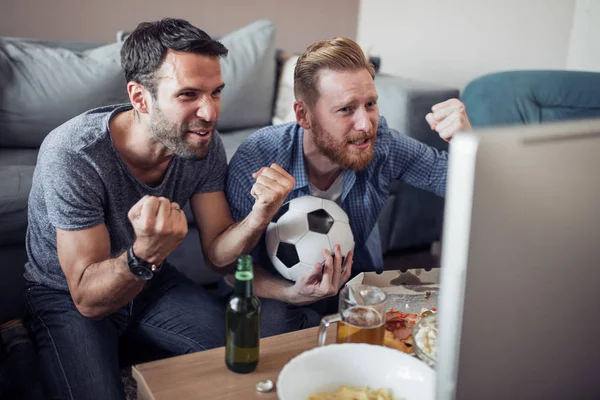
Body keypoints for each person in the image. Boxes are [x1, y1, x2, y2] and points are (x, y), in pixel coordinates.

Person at [24, 18, 293, 399]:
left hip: (152, 283)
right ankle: (33, 347)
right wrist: (143, 254)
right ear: (139, 98)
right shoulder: (73, 154)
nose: (210, 112)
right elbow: (86, 297)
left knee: (243, 361)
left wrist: (260, 213)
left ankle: (130, 352)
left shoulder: (202, 143)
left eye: (215, 92)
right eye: (189, 95)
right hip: (67, 296)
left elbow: (218, 256)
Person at [225, 36, 472, 337]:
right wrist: (292, 294)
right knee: (268, 331)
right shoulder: (258, 157)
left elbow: (465, 186)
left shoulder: (383, 145)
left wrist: (469, 143)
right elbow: (229, 269)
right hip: (278, 291)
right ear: (304, 114)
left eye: (370, 104)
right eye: (345, 110)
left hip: (355, 278)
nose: (366, 124)